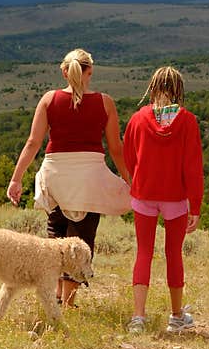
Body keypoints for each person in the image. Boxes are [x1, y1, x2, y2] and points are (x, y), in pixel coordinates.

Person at [7, 48, 131, 308]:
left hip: (55, 176)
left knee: (56, 236)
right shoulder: (104, 102)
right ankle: (69, 303)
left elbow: (33, 143)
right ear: (90, 72)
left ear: (64, 71)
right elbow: (115, 148)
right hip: (89, 177)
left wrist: (16, 179)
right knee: (82, 238)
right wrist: (130, 180)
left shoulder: (49, 99)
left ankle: (56, 299)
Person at [123, 66, 204, 334]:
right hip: (176, 197)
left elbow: (129, 157)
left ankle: (138, 317)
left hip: (144, 193)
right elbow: (193, 167)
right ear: (178, 90)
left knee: (144, 252)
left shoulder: (137, 119)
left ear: (153, 87)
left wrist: (137, 180)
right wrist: (196, 204)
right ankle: (176, 316)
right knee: (174, 254)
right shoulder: (188, 121)